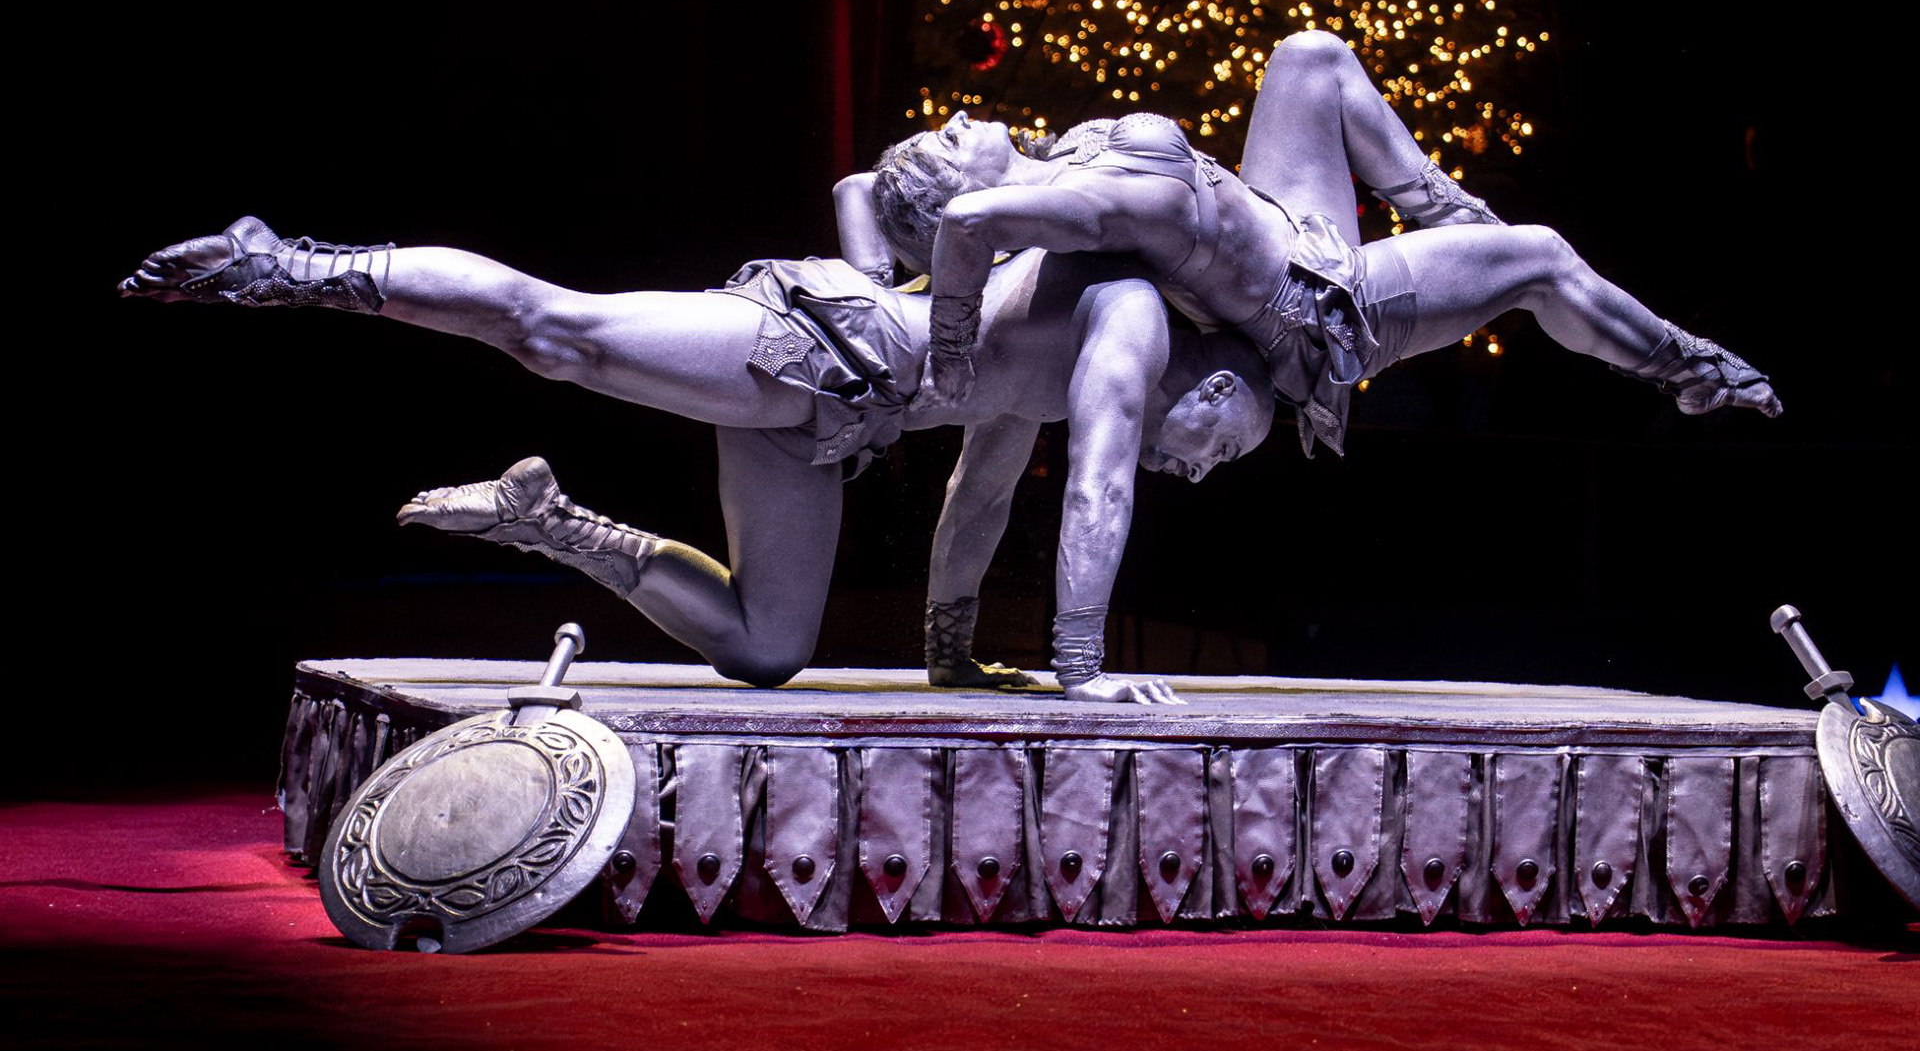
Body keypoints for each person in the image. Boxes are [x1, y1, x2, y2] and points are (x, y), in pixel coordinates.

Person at [121, 219, 1273, 704]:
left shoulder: (1058, 374)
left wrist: (951, 656)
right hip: (814, 343)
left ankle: (547, 516)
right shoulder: (1130, 318)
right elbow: (1098, 487)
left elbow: (980, 493)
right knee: (556, 332)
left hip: (826, 423)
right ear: (1217, 387)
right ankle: (288, 265)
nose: (1201, 471)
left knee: (767, 649)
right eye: (1222, 447)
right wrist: (1082, 668)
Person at [859, 30, 1781, 459]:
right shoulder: (1052, 215)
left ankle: (1458, 221)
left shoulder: (1058, 159)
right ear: (961, 196)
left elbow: (853, 190)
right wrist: (947, 350)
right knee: (1539, 257)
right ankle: (1688, 367)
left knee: (1311, 55)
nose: (957, 117)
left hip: (1289, 222)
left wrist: (871, 268)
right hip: (1318, 312)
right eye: (944, 142)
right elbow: (963, 231)